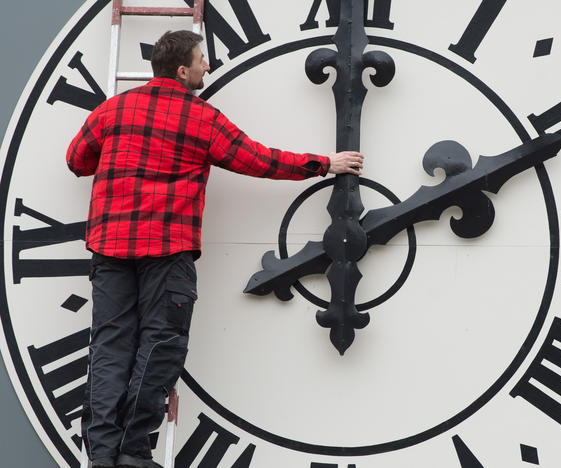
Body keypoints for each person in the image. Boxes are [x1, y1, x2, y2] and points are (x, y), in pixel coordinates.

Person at [66, 30, 363, 468]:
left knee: (109, 347)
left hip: (110, 250)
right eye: (202, 60)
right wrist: (323, 164)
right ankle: (131, 453)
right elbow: (258, 160)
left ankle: (101, 456)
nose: (208, 66)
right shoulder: (202, 119)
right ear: (183, 70)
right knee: (160, 345)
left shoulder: (112, 110)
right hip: (167, 253)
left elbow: (77, 160)